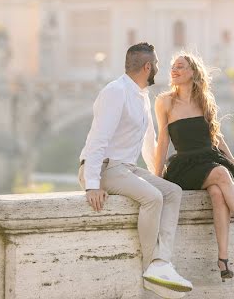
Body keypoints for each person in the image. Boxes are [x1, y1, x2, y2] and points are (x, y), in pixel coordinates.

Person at [78, 42, 192, 298]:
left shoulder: (141, 96)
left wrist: (156, 175)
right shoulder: (115, 92)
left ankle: (163, 262)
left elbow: (148, 146)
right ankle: (151, 267)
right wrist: (92, 185)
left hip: (126, 168)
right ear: (147, 67)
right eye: (158, 65)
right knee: (152, 197)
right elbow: (98, 141)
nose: (159, 70)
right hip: (104, 168)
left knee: (171, 191)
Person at [154, 52, 234, 282]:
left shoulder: (205, 100)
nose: (174, 70)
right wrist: (157, 179)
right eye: (172, 67)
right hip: (185, 165)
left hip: (210, 158)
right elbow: (163, 142)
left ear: (193, 72)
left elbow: (218, 140)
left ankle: (223, 260)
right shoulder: (165, 101)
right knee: (220, 173)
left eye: (180, 66)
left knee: (218, 193)